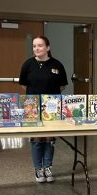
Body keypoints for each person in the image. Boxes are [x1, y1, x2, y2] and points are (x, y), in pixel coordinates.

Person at [19, 35, 68, 183]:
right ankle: (38, 169)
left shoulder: (57, 65)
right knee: (36, 137)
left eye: (40, 45)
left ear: (48, 47)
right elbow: (24, 85)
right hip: (31, 105)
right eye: (34, 46)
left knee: (49, 137)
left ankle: (48, 167)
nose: (36, 48)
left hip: (52, 106)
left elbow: (62, 86)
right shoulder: (27, 64)